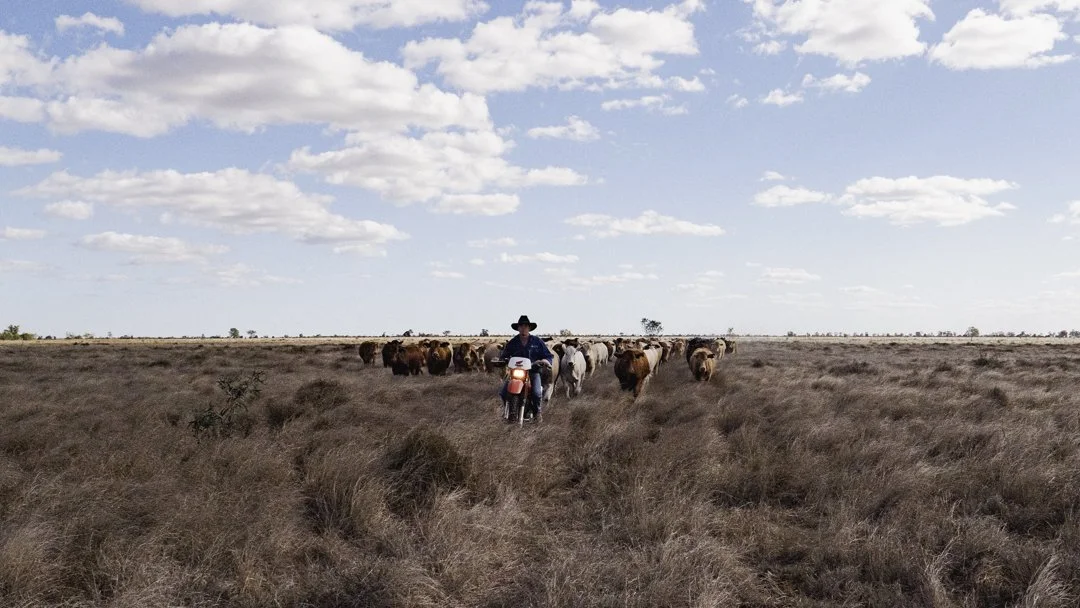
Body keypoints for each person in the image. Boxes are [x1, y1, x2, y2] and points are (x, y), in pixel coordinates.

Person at [499, 314, 553, 419]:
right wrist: (501, 360)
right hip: (516, 373)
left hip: (533, 371)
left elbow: (548, 355)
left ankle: (538, 412)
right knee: (503, 392)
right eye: (521, 326)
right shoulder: (513, 342)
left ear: (529, 328)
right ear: (518, 328)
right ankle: (507, 410)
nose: (523, 328)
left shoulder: (537, 341)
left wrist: (544, 361)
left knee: (537, 393)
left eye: (526, 326)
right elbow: (504, 355)